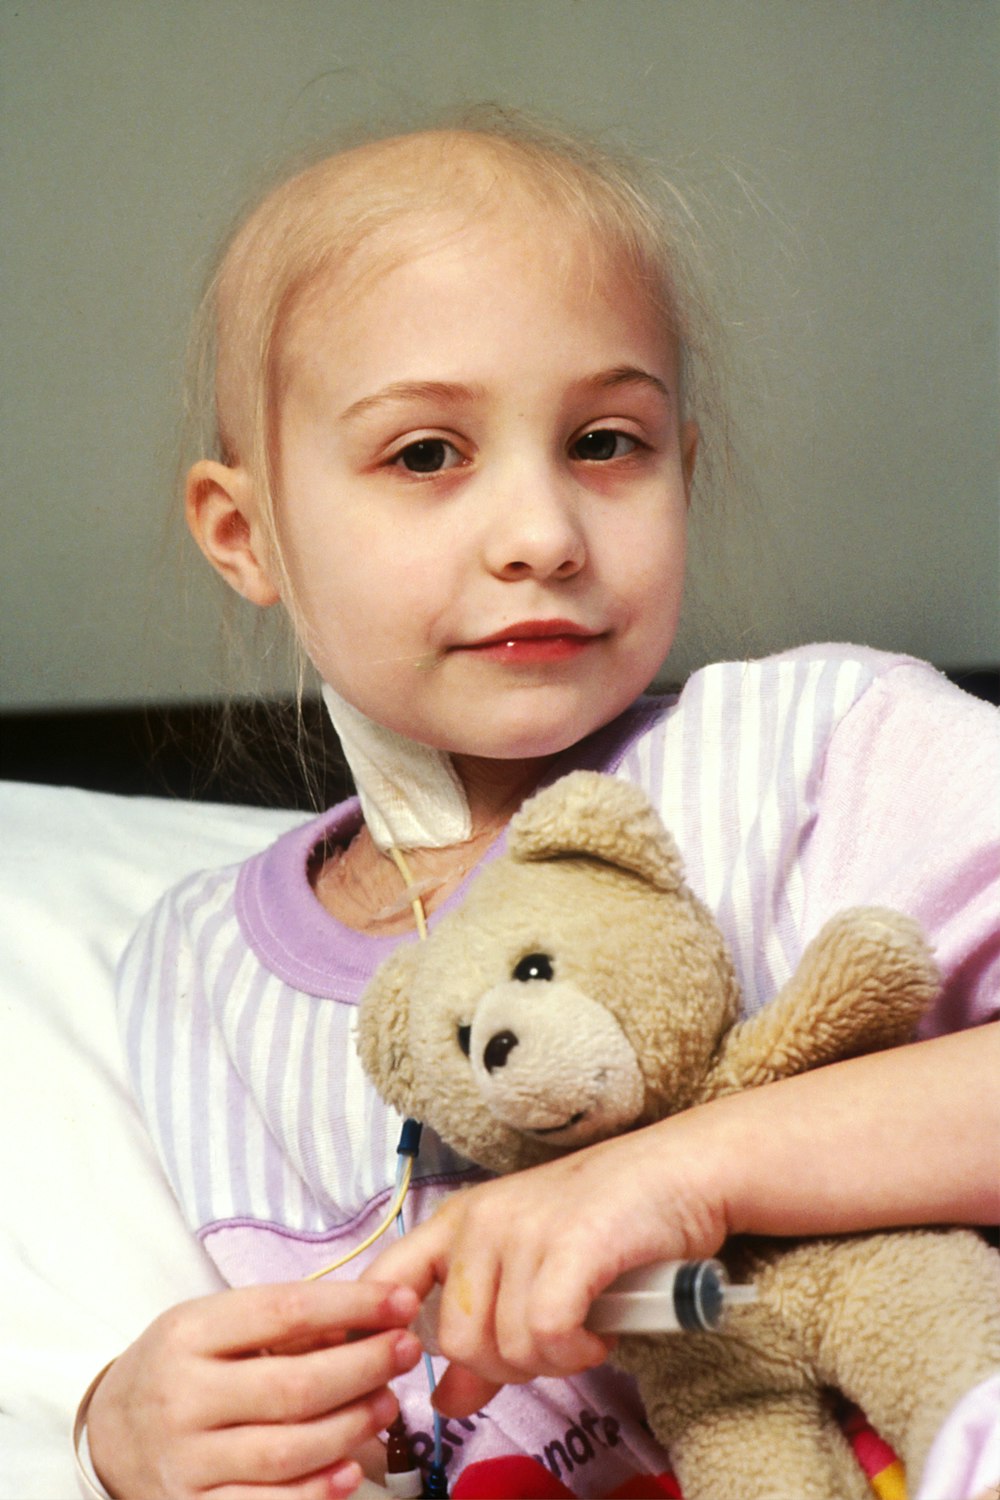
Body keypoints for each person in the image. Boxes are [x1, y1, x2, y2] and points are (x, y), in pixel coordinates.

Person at [81, 113, 999, 1500]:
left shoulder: (821, 754)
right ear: (246, 532)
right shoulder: (190, 979)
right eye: (427, 456)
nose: (542, 533)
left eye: (605, 440)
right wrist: (121, 1425)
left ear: (682, 468)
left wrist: (695, 1174)